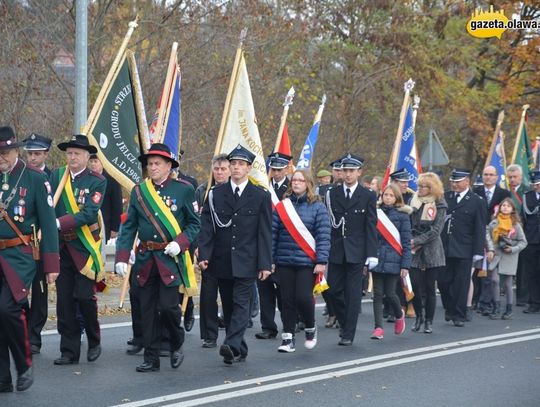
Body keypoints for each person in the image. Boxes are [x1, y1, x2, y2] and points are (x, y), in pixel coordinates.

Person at [115, 143, 200, 372]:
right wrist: (122, 257)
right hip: (145, 258)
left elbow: (195, 224)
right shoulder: (139, 191)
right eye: (149, 164)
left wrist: (180, 243)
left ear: (169, 166)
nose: (152, 168)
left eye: (156, 164)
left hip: (169, 258)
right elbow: (129, 226)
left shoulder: (183, 190)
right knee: (147, 310)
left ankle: (176, 340)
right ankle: (151, 358)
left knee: (169, 307)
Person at [198, 144, 272, 364]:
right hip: (221, 260)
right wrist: (204, 254)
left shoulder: (259, 195)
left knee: (241, 304)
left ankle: (230, 345)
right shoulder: (215, 194)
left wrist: (265, 264)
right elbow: (207, 227)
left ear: (249, 168)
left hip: (247, 260)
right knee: (228, 307)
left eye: (241, 164)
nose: (237, 168)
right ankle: (239, 347)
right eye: (233, 164)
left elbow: (264, 232)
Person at [0, 126, 59, 392]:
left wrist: (51, 265)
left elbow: (48, 224)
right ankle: (3, 378)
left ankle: (24, 365)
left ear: (15, 151)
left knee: (8, 309)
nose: (1, 157)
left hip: (19, 255)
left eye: (5, 152)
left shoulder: (34, 178)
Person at [50, 134, 106, 365]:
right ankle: (69, 351)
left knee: (84, 297)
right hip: (61, 248)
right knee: (64, 301)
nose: (72, 157)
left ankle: (94, 339)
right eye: (69, 153)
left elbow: (89, 213)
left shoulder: (96, 181)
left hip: (83, 248)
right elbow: (47, 204)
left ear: (86, 156)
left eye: (77, 153)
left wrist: (58, 222)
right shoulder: (56, 176)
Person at [272, 169, 330, 352]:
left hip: (307, 261)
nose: (296, 183)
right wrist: (271, 259)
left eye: (300, 180)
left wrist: (321, 260)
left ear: (308, 184)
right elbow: (273, 234)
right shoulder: (282, 206)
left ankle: (310, 326)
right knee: (286, 300)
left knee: (303, 298)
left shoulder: (318, 207)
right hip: (284, 260)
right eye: (294, 180)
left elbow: (323, 235)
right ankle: (288, 339)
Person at [325, 153, 378, 346]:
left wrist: (372, 254)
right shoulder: (332, 194)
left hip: (357, 251)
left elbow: (371, 226)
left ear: (359, 172)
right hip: (336, 250)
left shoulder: (368, 195)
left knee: (353, 293)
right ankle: (344, 320)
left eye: (351, 171)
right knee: (332, 290)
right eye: (345, 170)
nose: (347, 174)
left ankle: (348, 333)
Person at [439, 169, 486, 327]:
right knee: (443, 282)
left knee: (461, 283)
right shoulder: (446, 197)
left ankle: (459, 314)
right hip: (445, 247)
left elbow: (480, 228)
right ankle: (450, 308)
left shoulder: (476, 201)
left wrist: (478, 252)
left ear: (467, 181)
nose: (454, 184)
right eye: (453, 181)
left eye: (458, 181)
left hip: (465, 248)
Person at [21, 133, 54, 354]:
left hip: (42, 246)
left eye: (37, 154)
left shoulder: (55, 179)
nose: (33, 158)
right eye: (30, 153)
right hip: (23, 245)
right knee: (18, 290)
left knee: (40, 292)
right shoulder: (20, 176)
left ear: (45, 154)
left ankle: (35, 336)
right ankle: (22, 331)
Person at [195, 154, 230, 348]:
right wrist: (198, 247)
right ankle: (209, 334)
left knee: (227, 294)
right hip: (207, 249)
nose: (219, 172)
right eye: (216, 169)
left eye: (223, 169)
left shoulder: (233, 191)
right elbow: (196, 221)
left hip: (227, 250)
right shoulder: (203, 191)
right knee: (208, 295)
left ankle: (232, 331)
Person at [255, 152, 291, 340]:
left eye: (279, 169)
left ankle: (288, 324)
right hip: (264, 243)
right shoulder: (263, 187)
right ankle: (268, 326)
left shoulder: (291, 189)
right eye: (273, 169)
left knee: (283, 292)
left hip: (283, 244)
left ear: (287, 169)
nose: (276, 173)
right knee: (265, 289)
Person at [370, 184, 411, 340]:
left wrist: (405, 265)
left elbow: (406, 242)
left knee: (390, 293)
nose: (387, 198)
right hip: (378, 258)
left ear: (397, 198)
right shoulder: (376, 213)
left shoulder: (403, 216)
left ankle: (399, 314)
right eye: (385, 195)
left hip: (395, 259)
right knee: (378, 294)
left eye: (391, 195)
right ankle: (378, 328)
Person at [409, 172, 447, 334]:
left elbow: (436, 230)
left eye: (425, 186)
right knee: (415, 285)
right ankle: (419, 317)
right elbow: (409, 223)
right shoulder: (414, 201)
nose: (421, 189)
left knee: (430, 288)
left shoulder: (440, 203)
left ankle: (429, 321)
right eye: (419, 186)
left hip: (432, 249)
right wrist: (411, 239)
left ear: (433, 188)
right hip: (414, 251)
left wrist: (416, 241)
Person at [472, 165, 511, 315]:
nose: (488, 177)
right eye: (485, 174)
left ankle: (487, 302)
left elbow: (508, 212)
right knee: (477, 270)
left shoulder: (503, 193)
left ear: (496, 177)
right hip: (479, 233)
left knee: (490, 272)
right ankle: (476, 300)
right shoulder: (476, 192)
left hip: (495, 236)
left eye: (491, 175)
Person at [486, 198, 527, 319]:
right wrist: (490, 249)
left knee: (508, 284)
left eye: (508, 206)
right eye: (503, 205)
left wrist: (513, 248)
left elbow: (523, 242)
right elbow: (488, 237)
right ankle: (496, 306)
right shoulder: (494, 223)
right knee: (494, 280)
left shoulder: (516, 225)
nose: (505, 207)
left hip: (510, 256)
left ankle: (509, 309)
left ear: (512, 210)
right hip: (496, 254)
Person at [507, 164, 531, 306]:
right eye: (510, 177)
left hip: (523, 233)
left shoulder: (526, 191)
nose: (512, 179)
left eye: (515, 177)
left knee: (523, 267)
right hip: (506, 234)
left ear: (520, 177)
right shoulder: (504, 192)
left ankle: (522, 297)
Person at [88, 154, 123, 242]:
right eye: (91, 161)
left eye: (95, 161)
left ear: (102, 162)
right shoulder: (86, 179)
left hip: (105, 225)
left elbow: (117, 205)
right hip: (88, 225)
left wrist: (115, 228)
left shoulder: (112, 180)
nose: (93, 164)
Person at [520, 171, 540, 314]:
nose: (536, 187)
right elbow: (523, 219)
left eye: (538, 184)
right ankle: (534, 302)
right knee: (532, 272)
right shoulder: (527, 197)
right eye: (534, 184)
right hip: (532, 240)